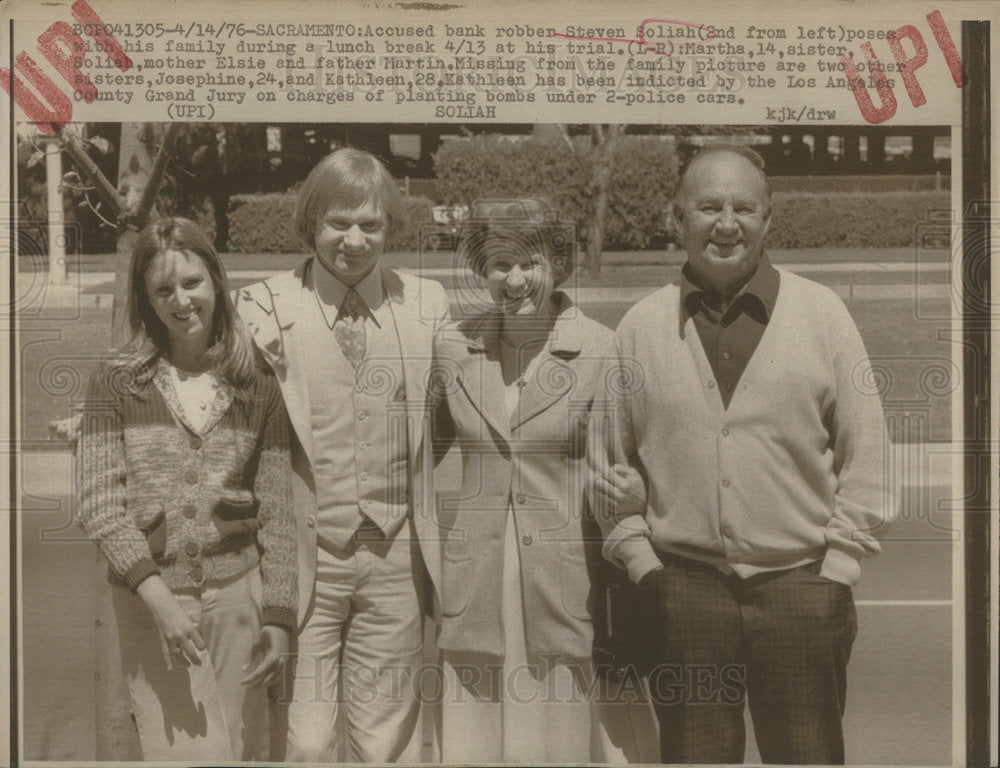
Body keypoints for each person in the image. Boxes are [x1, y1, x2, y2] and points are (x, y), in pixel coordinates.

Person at [593, 145, 896, 764]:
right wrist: (646, 569)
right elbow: (606, 468)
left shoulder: (823, 316)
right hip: (684, 591)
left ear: (768, 218)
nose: (726, 225)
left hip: (801, 588)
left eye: (744, 208)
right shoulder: (640, 329)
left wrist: (837, 571)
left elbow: (869, 455)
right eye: (709, 207)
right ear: (677, 218)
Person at [234, 148, 450, 762]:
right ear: (311, 222)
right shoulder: (261, 306)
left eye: (370, 224)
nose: (354, 241)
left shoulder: (427, 303)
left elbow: (460, 410)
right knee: (304, 741)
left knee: (386, 743)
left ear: (390, 227)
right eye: (338, 223)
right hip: (308, 556)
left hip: (395, 553)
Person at [426, 199, 659, 764]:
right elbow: (416, 456)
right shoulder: (452, 346)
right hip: (475, 586)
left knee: (553, 747)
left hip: (561, 587)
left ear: (558, 265)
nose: (515, 280)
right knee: (472, 747)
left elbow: (626, 471)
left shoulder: (602, 351)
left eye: (530, 263)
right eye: (499, 264)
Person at [76, 217, 297, 761]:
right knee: (184, 753)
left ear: (216, 281)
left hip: (238, 596)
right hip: (151, 601)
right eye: (163, 289)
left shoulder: (257, 381)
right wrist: (157, 596)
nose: (181, 300)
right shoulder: (116, 380)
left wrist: (278, 616)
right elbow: (99, 503)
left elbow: (276, 508)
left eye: (192, 282)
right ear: (144, 299)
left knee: (243, 750)